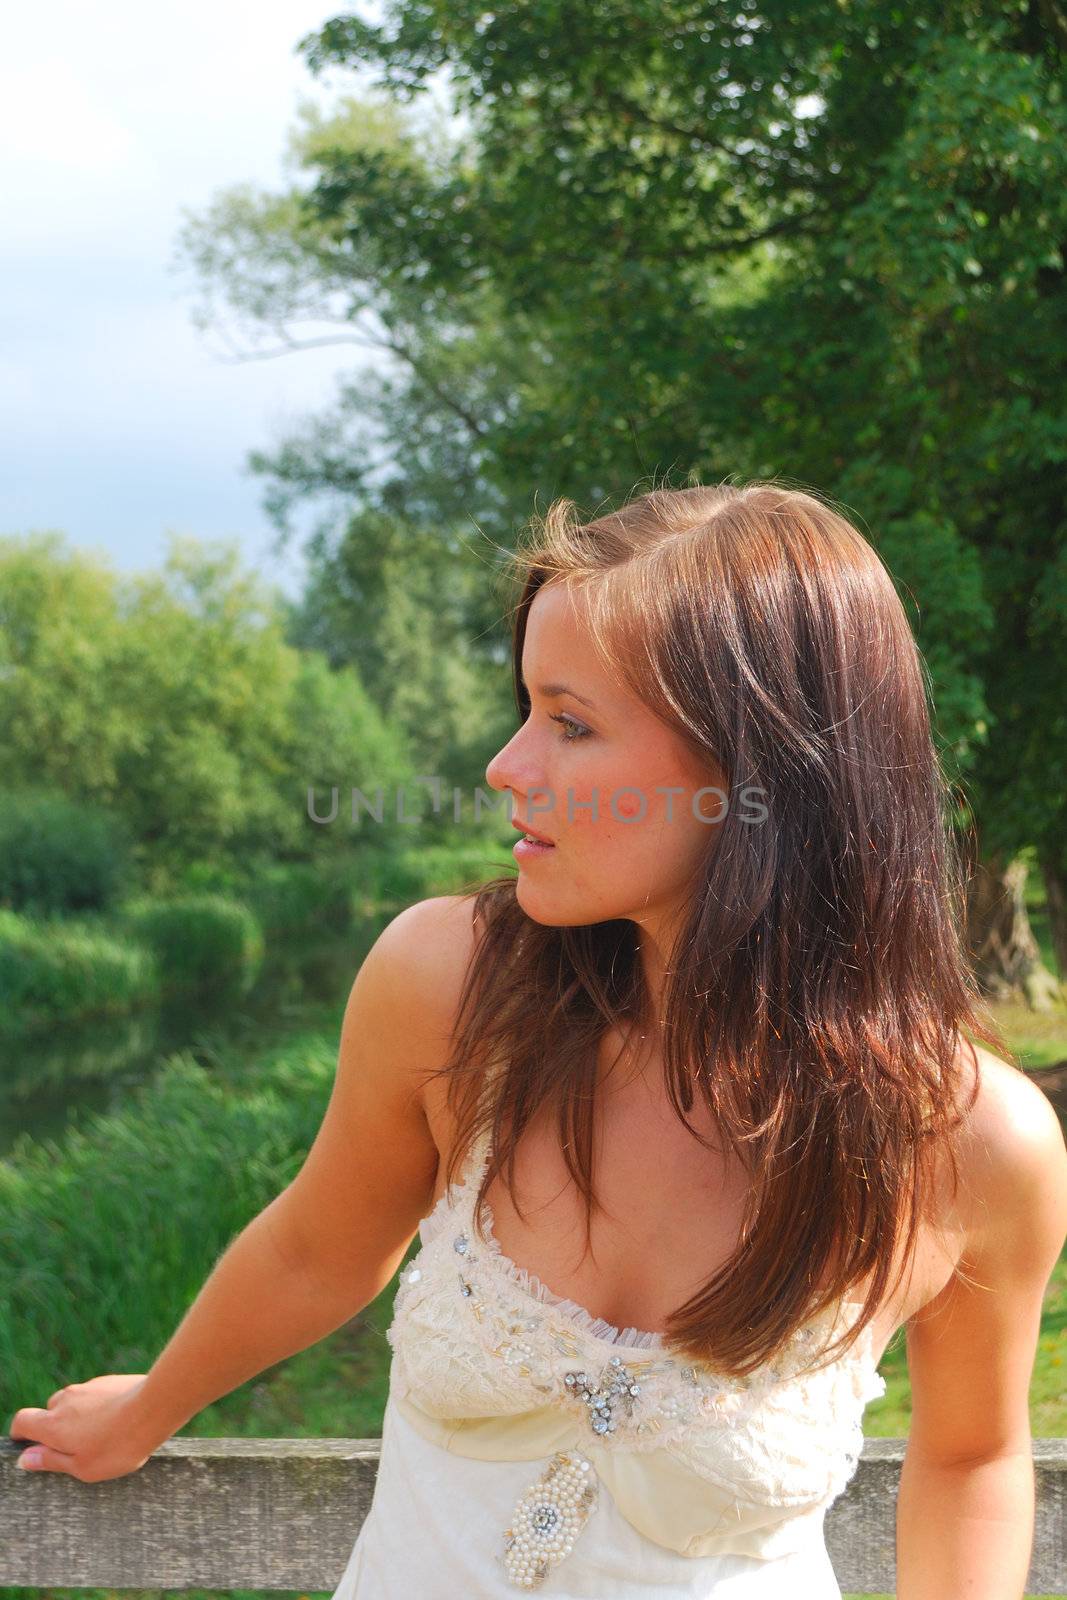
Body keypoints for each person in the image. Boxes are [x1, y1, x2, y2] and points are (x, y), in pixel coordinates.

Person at [8, 480, 1067, 1600]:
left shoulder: (967, 1143)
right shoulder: (447, 987)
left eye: (568, 722)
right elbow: (319, 1247)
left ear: (757, 773)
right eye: (525, 709)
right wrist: (148, 1406)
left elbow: (970, 1457)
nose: (505, 767)